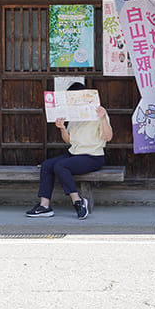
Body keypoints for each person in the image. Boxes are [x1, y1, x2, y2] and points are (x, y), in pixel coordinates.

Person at [26, 82, 113, 220]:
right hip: (74, 153)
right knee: (47, 165)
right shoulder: (74, 115)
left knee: (60, 166)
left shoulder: (99, 113)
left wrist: (102, 118)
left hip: (93, 155)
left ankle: (77, 201)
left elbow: (108, 137)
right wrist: (62, 128)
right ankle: (44, 206)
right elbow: (69, 141)